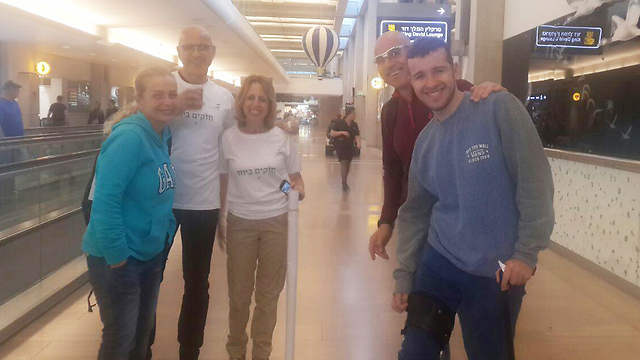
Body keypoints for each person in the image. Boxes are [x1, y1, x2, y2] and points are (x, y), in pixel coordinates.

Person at [393, 38, 555, 360]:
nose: (431, 83)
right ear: (411, 82)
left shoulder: (497, 109)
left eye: (438, 70)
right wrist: (404, 273)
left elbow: (535, 182)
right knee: (415, 353)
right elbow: (415, 212)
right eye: (420, 76)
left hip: (493, 273)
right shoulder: (425, 143)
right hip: (439, 261)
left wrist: (526, 254)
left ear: (455, 69)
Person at [368, 31, 505, 261]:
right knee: (420, 290)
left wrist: (496, 96)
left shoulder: (454, 90)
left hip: (467, 217)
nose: (388, 62)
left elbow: (493, 133)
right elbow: (393, 170)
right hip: (419, 221)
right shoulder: (390, 111)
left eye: (394, 53)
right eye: (380, 59)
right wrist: (386, 222)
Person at [81, 67, 179, 360]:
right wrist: (118, 257)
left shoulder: (160, 135)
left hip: (148, 254)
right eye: (157, 95)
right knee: (119, 343)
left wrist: (163, 237)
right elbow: (105, 201)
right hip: (120, 259)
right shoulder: (129, 139)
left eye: (172, 95)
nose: (166, 101)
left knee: (139, 339)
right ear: (139, 98)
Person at [219, 75, 304, 360]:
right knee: (239, 297)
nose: (256, 104)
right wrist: (221, 220)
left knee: (268, 297)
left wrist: (297, 189)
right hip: (240, 222)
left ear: (270, 104)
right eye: (251, 98)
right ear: (241, 102)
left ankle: (261, 353)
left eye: (262, 99)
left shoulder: (281, 138)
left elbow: (293, 178)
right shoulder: (228, 138)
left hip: (276, 223)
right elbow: (222, 181)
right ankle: (236, 351)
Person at [165, 25, 236, 360]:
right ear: (178, 51)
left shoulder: (223, 97)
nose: (196, 53)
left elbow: (231, 151)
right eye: (189, 46)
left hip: (203, 203)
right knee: (148, 276)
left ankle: (189, 349)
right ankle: (141, 346)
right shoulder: (162, 86)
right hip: (159, 200)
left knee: (197, 282)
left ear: (212, 54)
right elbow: (133, 120)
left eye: (202, 47)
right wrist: (174, 104)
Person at [328, 106, 360, 191]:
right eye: (353, 113)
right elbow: (332, 133)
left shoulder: (354, 125)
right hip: (341, 145)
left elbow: (357, 135)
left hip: (350, 146)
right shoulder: (339, 123)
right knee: (343, 162)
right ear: (349, 114)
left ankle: (345, 179)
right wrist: (342, 132)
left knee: (348, 164)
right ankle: (344, 182)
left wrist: (358, 143)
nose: (355, 115)